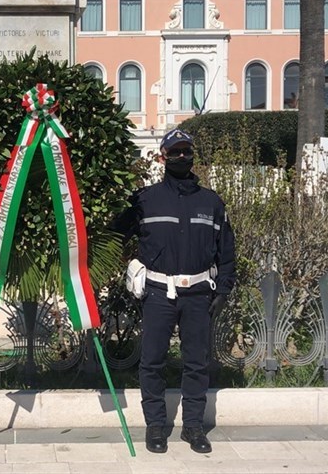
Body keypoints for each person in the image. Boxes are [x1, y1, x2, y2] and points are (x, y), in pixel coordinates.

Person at [111, 128, 235, 455]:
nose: (182, 157)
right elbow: (114, 236)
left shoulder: (211, 203)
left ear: (193, 155)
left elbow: (227, 250)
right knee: (152, 360)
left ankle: (193, 426)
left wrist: (223, 289)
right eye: (175, 152)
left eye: (187, 151)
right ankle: (156, 424)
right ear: (163, 156)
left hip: (198, 296)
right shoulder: (145, 200)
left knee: (197, 362)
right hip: (157, 294)